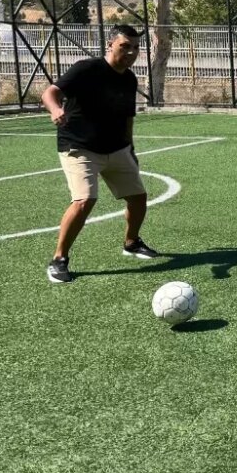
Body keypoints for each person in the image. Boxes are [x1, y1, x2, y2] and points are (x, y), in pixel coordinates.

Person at [40, 24, 160, 284]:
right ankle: (59, 259)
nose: (131, 52)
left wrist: (130, 148)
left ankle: (131, 242)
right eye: (125, 46)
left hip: (116, 148)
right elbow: (50, 92)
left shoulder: (129, 79)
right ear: (110, 45)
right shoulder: (87, 69)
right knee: (84, 200)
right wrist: (55, 109)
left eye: (136, 47)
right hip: (79, 146)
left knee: (138, 198)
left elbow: (128, 117)